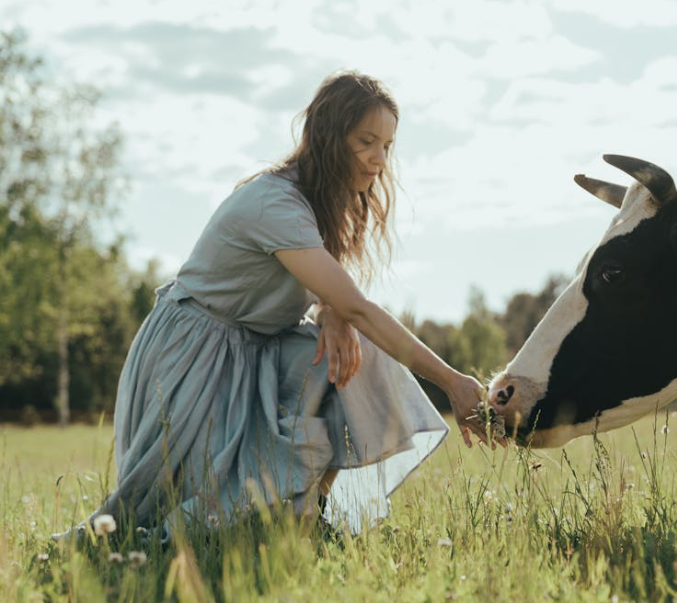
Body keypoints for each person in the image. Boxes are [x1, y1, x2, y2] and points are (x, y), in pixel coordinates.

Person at [83, 71, 494, 536]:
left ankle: (308, 514)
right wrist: (452, 382)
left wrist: (333, 314)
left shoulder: (323, 203)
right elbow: (357, 304)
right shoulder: (275, 203)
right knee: (181, 522)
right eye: (367, 141)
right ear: (329, 135)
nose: (380, 159)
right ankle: (254, 519)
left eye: (388, 145)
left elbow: (337, 298)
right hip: (194, 354)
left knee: (358, 355)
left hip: (255, 350)